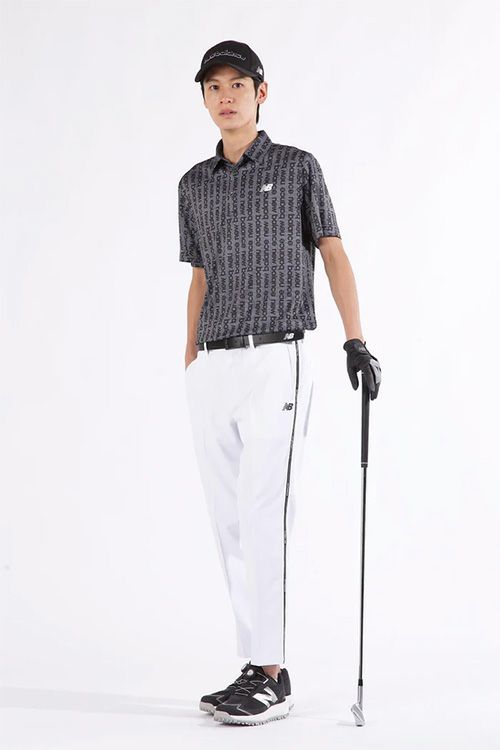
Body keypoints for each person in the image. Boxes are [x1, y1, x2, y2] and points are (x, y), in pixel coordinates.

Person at [177, 40, 382, 726]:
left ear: (261, 92)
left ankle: (274, 675)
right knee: (229, 520)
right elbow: (200, 275)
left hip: (277, 358)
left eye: (237, 84)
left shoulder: (297, 168)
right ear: (204, 97)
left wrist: (355, 339)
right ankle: (254, 661)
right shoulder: (193, 184)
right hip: (215, 364)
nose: (225, 96)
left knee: (265, 510)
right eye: (213, 86)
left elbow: (333, 251)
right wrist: (190, 358)